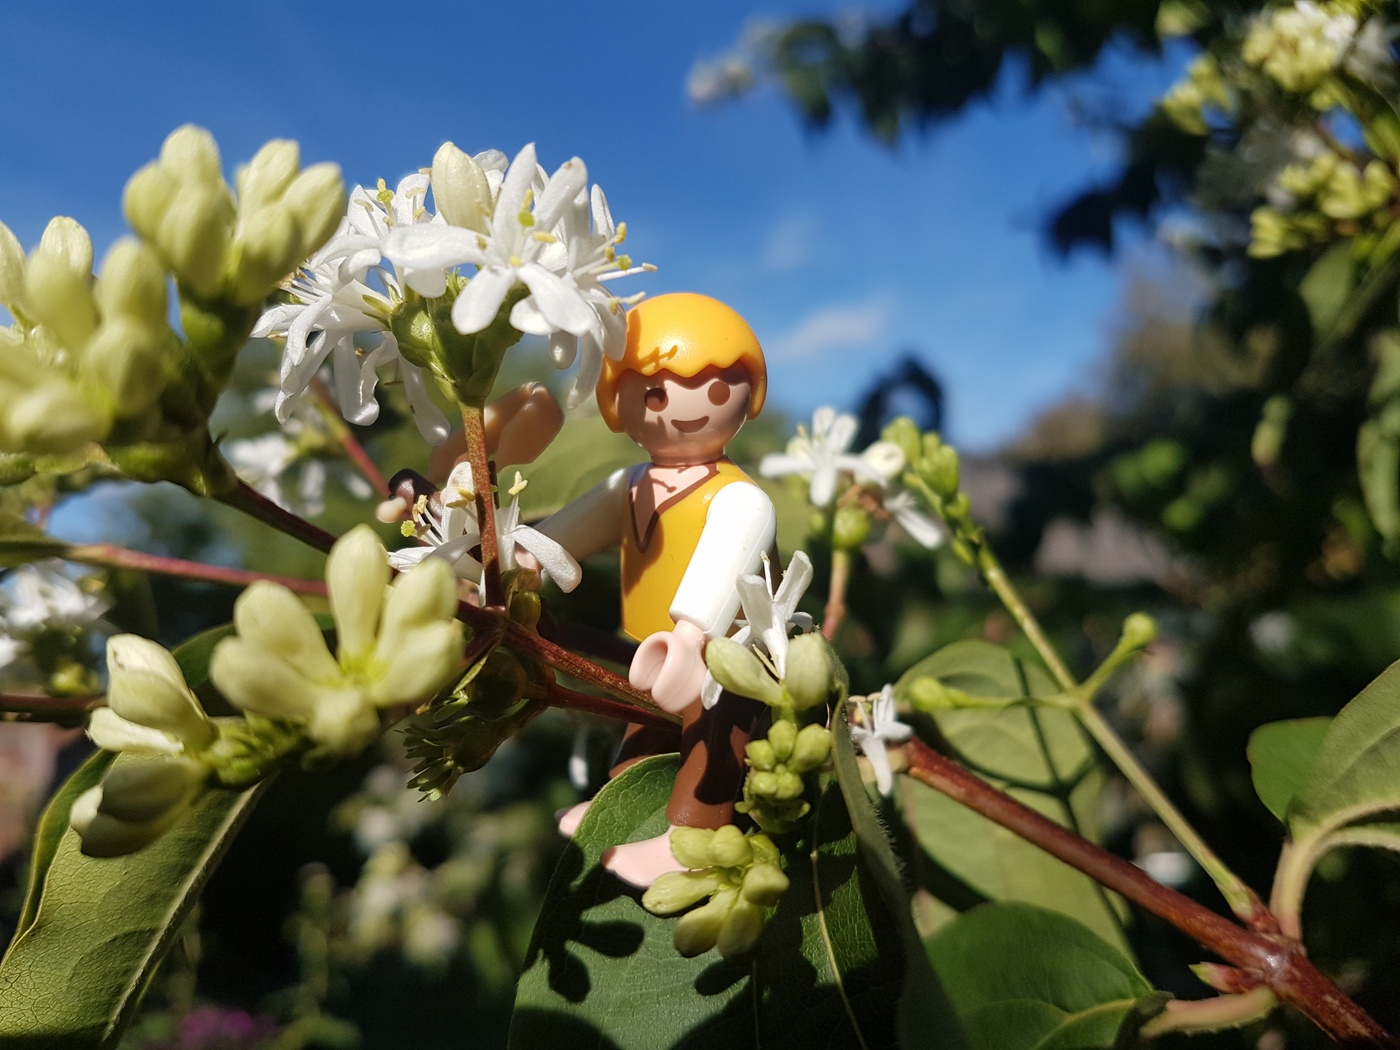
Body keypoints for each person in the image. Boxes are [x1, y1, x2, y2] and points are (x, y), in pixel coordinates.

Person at [534, 292, 776, 887]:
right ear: (618, 403)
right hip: (652, 646)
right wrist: (520, 558)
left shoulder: (739, 495)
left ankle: (693, 838)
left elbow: (729, 559)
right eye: (657, 394)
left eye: (716, 391)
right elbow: (563, 534)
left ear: (749, 395)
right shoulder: (629, 484)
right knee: (646, 731)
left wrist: (693, 636)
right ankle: (617, 810)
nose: (685, 410)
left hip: (724, 652)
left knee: (714, 737)